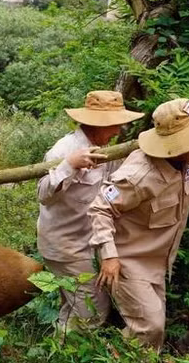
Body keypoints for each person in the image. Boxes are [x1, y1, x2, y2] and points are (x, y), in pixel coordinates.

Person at [89, 98, 189, 350]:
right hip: (128, 262)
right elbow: (100, 207)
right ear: (174, 144)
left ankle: (133, 361)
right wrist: (109, 256)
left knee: (151, 328)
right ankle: (120, 362)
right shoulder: (138, 175)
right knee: (150, 327)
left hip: (158, 262)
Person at [36, 90, 144, 332]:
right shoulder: (64, 150)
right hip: (65, 246)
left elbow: (110, 189)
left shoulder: (107, 149)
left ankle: (61, 344)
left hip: (88, 242)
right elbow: (43, 194)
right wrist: (69, 166)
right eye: (114, 125)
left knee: (75, 303)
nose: (117, 131)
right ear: (96, 123)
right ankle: (72, 357)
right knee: (92, 311)